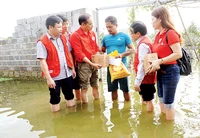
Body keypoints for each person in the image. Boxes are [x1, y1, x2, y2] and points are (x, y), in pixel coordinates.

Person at [146, 6, 182, 120]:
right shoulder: (158, 35)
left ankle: (169, 130)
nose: (151, 22)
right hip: (160, 71)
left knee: (168, 103)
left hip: (171, 71)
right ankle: (162, 126)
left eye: (152, 19)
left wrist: (160, 61)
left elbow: (178, 53)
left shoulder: (170, 33)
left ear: (160, 18)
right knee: (161, 99)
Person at [36, 15, 76, 112]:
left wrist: (73, 68)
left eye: (61, 26)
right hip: (54, 76)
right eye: (58, 27)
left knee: (70, 96)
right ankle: (56, 120)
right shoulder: (42, 42)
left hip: (67, 73)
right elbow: (42, 61)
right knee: (55, 99)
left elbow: (68, 53)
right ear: (50, 27)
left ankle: (73, 119)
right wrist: (49, 79)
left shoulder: (63, 38)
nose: (61, 29)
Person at [70, 13, 102, 103]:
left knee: (95, 85)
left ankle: (97, 105)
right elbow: (79, 53)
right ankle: (85, 107)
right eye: (90, 24)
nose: (92, 26)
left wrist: (101, 53)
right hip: (84, 64)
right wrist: (92, 64)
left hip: (94, 61)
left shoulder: (92, 33)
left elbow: (95, 47)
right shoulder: (75, 35)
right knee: (84, 88)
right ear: (83, 24)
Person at [101, 16, 134, 101]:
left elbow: (132, 50)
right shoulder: (105, 38)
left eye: (110, 26)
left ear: (116, 25)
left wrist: (121, 55)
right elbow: (102, 51)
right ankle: (114, 109)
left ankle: (128, 109)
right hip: (111, 67)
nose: (108, 29)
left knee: (125, 90)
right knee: (113, 89)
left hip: (122, 66)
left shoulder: (124, 36)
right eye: (107, 27)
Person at [130, 21, 156, 112]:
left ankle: (148, 121)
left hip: (145, 77)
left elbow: (142, 64)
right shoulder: (145, 41)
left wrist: (137, 81)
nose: (130, 35)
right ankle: (145, 115)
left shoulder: (143, 45)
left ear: (138, 34)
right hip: (146, 76)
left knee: (148, 99)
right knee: (145, 97)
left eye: (131, 33)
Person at [57, 14, 81, 100]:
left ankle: (78, 101)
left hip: (75, 62)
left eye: (67, 23)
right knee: (68, 86)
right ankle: (71, 102)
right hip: (66, 65)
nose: (65, 26)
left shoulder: (71, 35)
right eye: (63, 24)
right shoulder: (57, 38)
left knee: (77, 84)